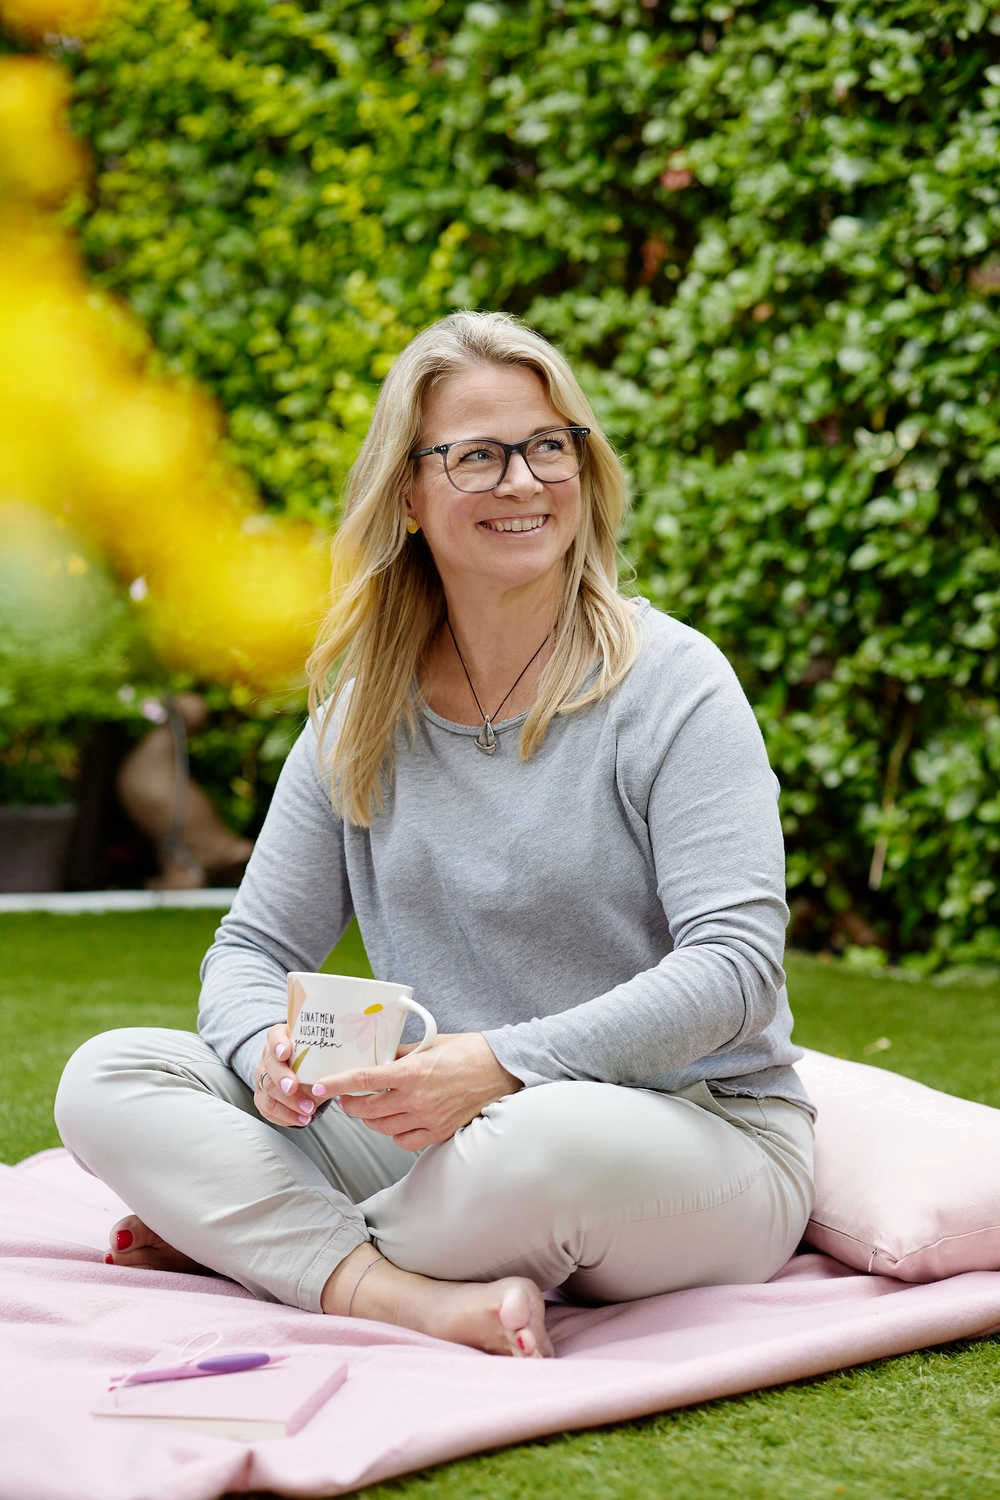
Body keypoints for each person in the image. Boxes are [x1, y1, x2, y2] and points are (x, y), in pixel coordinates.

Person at [55, 311, 815, 1362]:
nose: (523, 481)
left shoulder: (674, 686)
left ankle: (257, 1236)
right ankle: (390, 1288)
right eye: (479, 455)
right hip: (440, 1136)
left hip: (684, 1136)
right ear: (408, 495)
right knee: (110, 1075)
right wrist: (261, 1056)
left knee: (530, 1150)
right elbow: (250, 954)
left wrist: (501, 1063)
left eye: (551, 445)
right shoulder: (361, 713)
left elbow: (733, 970)